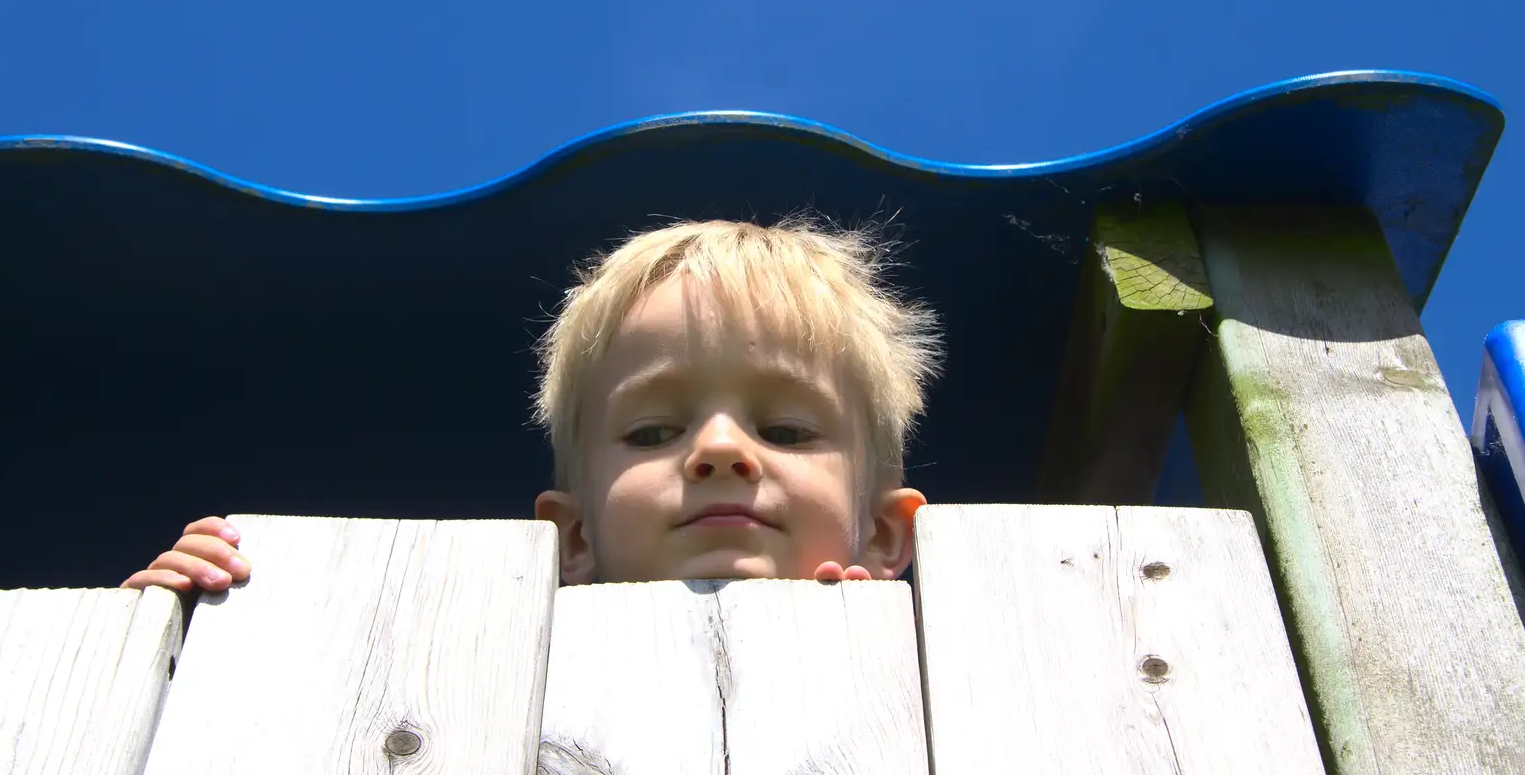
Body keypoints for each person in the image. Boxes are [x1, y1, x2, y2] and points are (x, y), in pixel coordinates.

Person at [122, 217, 943, 592]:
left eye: (788, 429)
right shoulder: (494, 676)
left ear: (882, 531)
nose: (720, 449)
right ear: (573, 535)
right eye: (653, 430)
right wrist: (159, 642)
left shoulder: (939, 691)